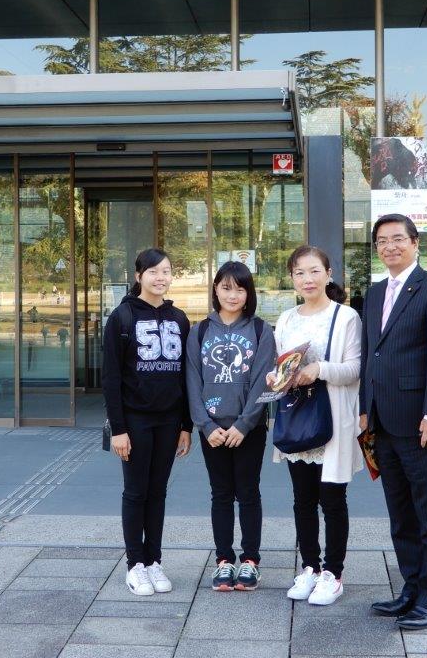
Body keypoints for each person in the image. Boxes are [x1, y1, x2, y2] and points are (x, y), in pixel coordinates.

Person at [360, 213, 427, 631]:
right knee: (401, 515)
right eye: (382, 241)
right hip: (384, 424)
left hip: (424, 424)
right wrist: (365, 410)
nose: (390, 246)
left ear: (415, 243)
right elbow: (370, 354)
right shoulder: (374, 293)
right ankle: (412, 588)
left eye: (398, 238)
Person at [269, 246, 363, 606]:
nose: (307, 279)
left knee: (333, 499)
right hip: (297, 417)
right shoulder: (286, 318)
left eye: (313, 271)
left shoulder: (346, 317)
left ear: (328, 273)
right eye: (299, 273)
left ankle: (333, 573)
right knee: (302, 500)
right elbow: (279, 364)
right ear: (291, 278)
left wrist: (319, 369)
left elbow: (355, 368)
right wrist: (277, 377)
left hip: (332, 418)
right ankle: (309, 566)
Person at [102, 248, 193, 597]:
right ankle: (135, 565)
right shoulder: (122, 317)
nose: (160, 277)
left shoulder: (179, 319)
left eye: (166, 271)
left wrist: (186, 426)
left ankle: (154, 561)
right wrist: (118, 430)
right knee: (136, 492)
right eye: (153, 271)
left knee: (158, 492)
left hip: (169, 421)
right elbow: (111, 379)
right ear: (139, 275)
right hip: (135, 421)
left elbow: (186, 377)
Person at [187, 261, 276, 592]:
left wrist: (244, 423)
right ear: (215, 290)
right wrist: (205, 425)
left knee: (249, 492)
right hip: (212, 429)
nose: (233, 295)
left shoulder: (260, 330)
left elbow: (263, 381)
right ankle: (224, 560)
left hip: (248, 429)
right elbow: (192, 381)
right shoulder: (199, 331)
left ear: (249, 293)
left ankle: (250, 561)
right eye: (226, 288)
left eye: (240, 289)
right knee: (221, 493)